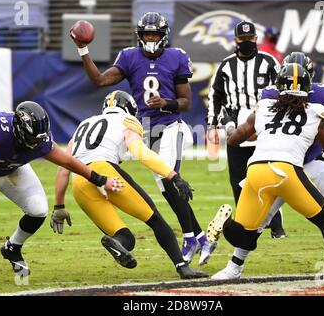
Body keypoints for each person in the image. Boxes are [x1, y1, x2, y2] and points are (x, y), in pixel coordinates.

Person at [211, 52, 324, 280]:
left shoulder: (280, 98)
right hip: (290, 165)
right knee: (271, 218)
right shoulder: (295, 104)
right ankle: (235, 266)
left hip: (299, 163)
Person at [70, 11, 216, 265]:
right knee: (166, 185)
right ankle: (201, 237)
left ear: (163, 36)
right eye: (146, 34)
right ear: (139, 36)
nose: (150, 39)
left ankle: (191, 237)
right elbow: (99, 80)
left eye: (154, 34)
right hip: (141, 129)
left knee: (168, 179)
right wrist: (83, 50)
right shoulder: (129, 56)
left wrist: (166, 103)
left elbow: (185, 102)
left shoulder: (176, 57)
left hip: (170, 126)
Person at [52, 90, 208, 279]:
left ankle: (117, 242)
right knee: (156, 220)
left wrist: (59, 206)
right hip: (105, 171)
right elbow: (140, 152)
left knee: (125, 238)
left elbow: (63, 169)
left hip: (79, 184)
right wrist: (172, 175)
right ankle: (183, 267)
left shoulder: (84, 124)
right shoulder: (127, 121)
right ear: (129, 108)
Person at [0, 101, 121, 276]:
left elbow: (68, 161)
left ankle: (13, 247)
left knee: (38, 209)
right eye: (32, 138)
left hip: (12, 171)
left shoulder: (41, 140)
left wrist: (99, 179)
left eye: (38, 139)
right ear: (18, 129)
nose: (36, 144)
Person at [207, 20, 286, 239]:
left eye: (250, 39)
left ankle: (276, 225)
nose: (247, 43)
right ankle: (245, 222)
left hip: (264, 122)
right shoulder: (225, 65)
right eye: (242, 39)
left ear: (256, 39)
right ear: (235, 40)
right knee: (238, 177)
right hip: (236, 123)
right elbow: (216, 96)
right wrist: (212, 124)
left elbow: (281, 91)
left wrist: (278, 120)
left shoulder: (269, 62)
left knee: (270, 175)